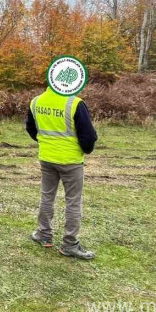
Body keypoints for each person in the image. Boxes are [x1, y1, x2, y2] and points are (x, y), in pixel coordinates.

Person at [25, 86, 99, 259]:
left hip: (46, 157)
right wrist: (86, 150)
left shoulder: (36, 101)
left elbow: (30, 128)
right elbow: (88, 136)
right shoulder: (75, 103)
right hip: (71, 160)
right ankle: (69, 244)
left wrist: (46, 142)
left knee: (47, 196)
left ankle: (44, 234)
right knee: (73, 201)